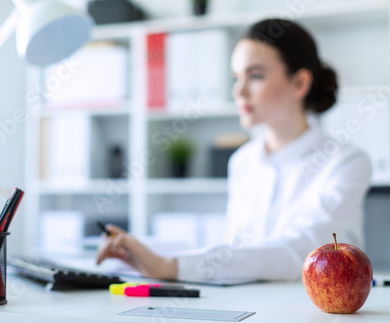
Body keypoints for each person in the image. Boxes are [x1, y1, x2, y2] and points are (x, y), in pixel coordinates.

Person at [96, 18, 372, 282]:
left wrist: (172, 266)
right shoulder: (243, 161)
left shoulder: (346, 162)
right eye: (236, 77)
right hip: (244, 306)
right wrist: (143, 252)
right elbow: (233, 249)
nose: (238, 92)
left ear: (299, 83)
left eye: (255, 76)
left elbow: (303, 252)